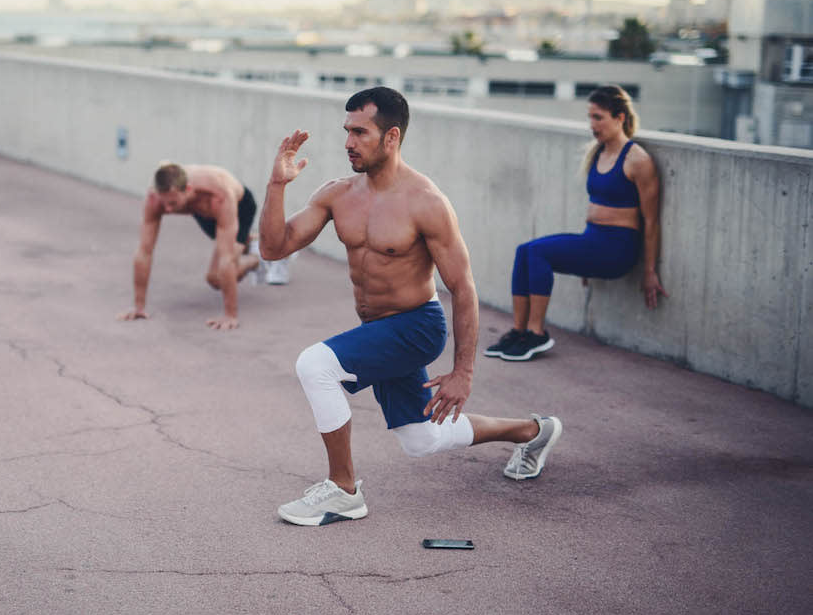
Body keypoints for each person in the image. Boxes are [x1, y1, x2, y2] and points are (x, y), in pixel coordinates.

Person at [260, 87, 563, 526]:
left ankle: (344, 491)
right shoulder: (337, 194)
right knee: (421, 439)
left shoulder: (426, 202)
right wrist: (276, 185)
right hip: (378, 329)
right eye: (346, 131)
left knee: (315, 365)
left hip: (417, 327)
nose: (348, 142)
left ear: (391, 137)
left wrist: (463, 373)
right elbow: (273, 248)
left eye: (360, 132)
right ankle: (535, 431)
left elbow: (462, 288)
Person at [485, 85, 667, 362]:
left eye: (599, 117)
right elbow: (596, 207)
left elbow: (651, 221)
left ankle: (536, 334)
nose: (592, 125)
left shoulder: (638, 160)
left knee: (536, 252)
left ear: (620, 118)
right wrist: (582, 257)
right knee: (524, 250)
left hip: (617, 250)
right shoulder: (598, 153)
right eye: (590, 117)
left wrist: (650, 270)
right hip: (592, 242)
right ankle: (519, 332)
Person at [119, 162, 284, 330]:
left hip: (240, 206)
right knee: (224, 261)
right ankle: (253, 244)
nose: (168, 210)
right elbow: (144, 252)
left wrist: (230, 315)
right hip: (202, 212)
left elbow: (226, 258)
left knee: (217, 277)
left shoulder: (218, 196)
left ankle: (258, 258)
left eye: (173, 203)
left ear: (188, 189)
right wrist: (138, 306)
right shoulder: (155, 198)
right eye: (165, 204)